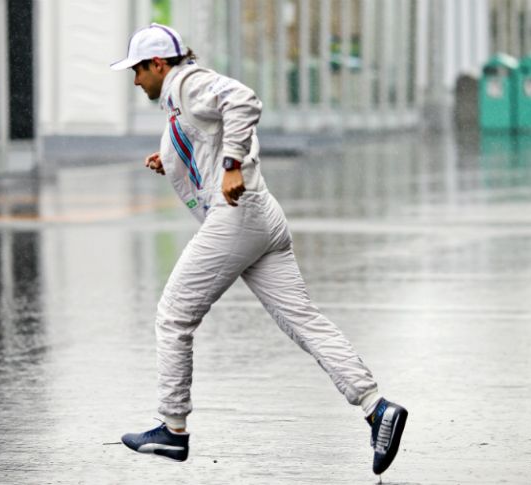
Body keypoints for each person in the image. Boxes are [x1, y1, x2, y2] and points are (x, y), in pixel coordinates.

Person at [110, 23, 408, 476]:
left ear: (157, 64)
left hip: (236, 216)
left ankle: (172, 428)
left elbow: (244, 100)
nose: (135, 81)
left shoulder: (187, 82)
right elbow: (204, 137)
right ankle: (376, 407)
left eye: (136, 71)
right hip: (261, 215)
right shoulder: (179, 99)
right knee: (302, 320)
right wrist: (168, 159)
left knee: (173, 315)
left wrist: (231, 166)